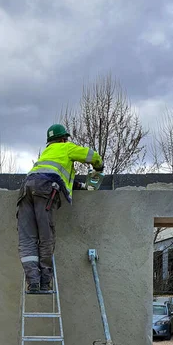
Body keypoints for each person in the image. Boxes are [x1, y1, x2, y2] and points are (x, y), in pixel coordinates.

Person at [17, 123, 104, 293]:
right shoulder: (66, 147)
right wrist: (98, 167)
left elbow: (58, 177)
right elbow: (92, 155)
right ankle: (44, 283)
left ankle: (33, 283)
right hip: (45, 189)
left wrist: (79, 186)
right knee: (46, 237)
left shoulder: (46, 154)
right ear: (63, 139)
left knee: (27, 240)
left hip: (26, 188)